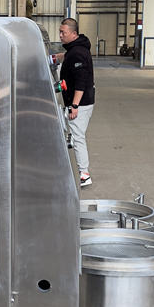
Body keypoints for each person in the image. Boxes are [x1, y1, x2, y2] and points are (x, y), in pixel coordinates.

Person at [59, 17, 95, 187]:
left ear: (73, 34)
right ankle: (71, 140)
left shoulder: (78, 53)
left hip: (80, 103)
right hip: (80, 101)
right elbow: (66, 57)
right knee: (73, 131)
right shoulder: (75, 49)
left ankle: (84, 174)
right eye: (60, 32)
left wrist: (74, 105)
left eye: (63, 32)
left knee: (79, 137)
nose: (60, 35)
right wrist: (52, 59)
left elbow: (81, 81)